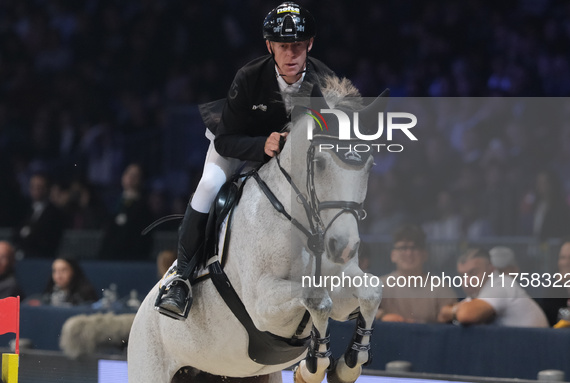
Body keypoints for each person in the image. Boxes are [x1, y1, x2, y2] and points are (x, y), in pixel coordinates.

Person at [156, 2, 334, 318]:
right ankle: (181, 279)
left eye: (297, 45)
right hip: (237, 145)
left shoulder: (324, 81)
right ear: (270, 46)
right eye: (283, 46)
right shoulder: (249, 77)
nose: (291, 54)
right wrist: (262, 145)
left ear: (310, 44)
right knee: (210, 185)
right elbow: (225, 140)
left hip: (291, 157)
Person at [439, 248, 548, 327]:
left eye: (473, 273)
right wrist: (455, 311)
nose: (466, 281)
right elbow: (441, 316)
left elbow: (466, 314)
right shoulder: (477, 295)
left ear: (491, 269)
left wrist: (453, 311)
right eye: (462, 276)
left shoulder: (501, 284)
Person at [377, 224, 457, 324]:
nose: (409, 253)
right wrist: (382, 316)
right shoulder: (379, 286)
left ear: (425, 255)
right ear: (393, 255)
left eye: (414, 248)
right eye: (403, 248)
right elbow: (358, 310)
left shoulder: (440, 288)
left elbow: (454, 319)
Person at [99, 163, 153, 260]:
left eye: (135, 175)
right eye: (128, 173)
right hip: (109, 256)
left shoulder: (144, 207)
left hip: (131, 258)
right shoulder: (113, 201)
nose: (130, 178)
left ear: (141, 180)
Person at [536, 235, 570, 326]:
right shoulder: (554, 289)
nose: (566, 263)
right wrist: (559, 286)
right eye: (562, 258)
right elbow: (549, 320)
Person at [13, 172, 65, 258]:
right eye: (33, 186)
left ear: (47, 188)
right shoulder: (24, 209)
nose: (36, 190)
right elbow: (16, 232)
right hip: (21, 255)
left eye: (39, 187)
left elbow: (51, 238)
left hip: (42, 257)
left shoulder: (54, 212)